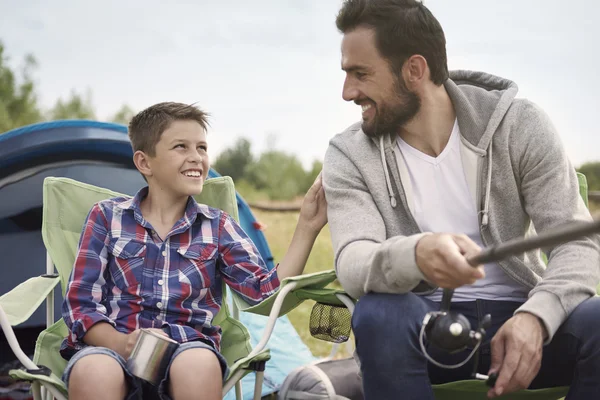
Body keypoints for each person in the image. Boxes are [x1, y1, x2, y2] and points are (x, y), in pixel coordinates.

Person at [322, 0, 600, 399]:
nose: (348, 92)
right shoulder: (348, 153)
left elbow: (576, 241)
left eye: (360, 74)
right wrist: (416, 254)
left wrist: (536, 318)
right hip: (419, 328)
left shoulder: (520, 126)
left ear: (414, 70)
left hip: (522, 323)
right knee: (379, 314)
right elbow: (353, 260)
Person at [60, 102, 328, 400]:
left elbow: (263, 293)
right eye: (181, 147)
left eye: (201, 147)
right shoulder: (107, 217)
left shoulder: (217, 227)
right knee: (94, 370)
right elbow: (81, 305)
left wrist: (307, 226)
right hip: (114, 344)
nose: (196, 158)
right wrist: (123, 344)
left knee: (198, 364)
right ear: (145, 162)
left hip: (187, 346)